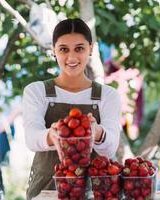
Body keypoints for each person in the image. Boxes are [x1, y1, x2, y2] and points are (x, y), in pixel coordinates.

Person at [21, 18, 122, 200]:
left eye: (79, 48)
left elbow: (110, 147)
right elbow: (30, 138)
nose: (72, 58)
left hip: (93, 191)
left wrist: (97, 132)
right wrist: (51, 136)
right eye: (63, 49)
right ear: (54, 50)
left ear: (91, 48)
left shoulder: (108, 96)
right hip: (46, 191)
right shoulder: (37, 91)